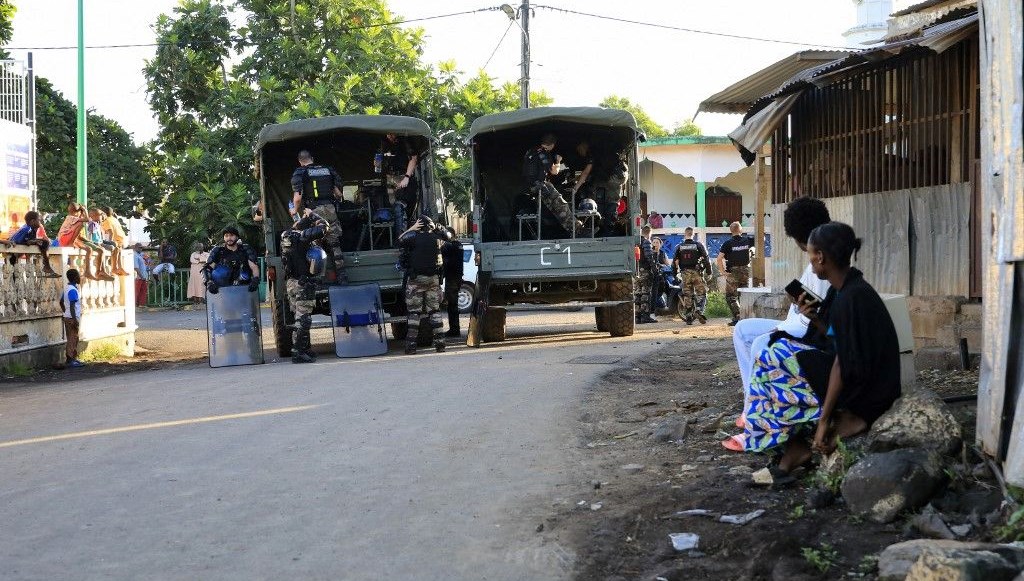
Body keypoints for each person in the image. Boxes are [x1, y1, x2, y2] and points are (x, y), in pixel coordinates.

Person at [727, 222, 901, 481]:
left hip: (868, 393)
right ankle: (792, 447)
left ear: (820, 257)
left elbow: (843, 362)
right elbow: (837, 337)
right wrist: (817, 319)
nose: (810, 262)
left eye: (810, 255)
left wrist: (824, 421)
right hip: (859, 376)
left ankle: (806, 439)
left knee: (774, 358)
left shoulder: (853, 297)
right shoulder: (843, 289)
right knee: (772, 351)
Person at [731, 198, 832, 427]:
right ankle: (752, 404)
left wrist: (784, 326)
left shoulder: (825, 262)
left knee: (760, 343)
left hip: (810, 332)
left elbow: (817, 318)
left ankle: (761, 414)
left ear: (798, 238)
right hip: (796, 323)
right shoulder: (813, 261)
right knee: (742, 330)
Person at [291, 150, 347, 283]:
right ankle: (342, 277)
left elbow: (298, 197)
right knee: (334, 244)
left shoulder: (300, 172)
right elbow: (339, 194)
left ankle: (319, 279)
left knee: (316, 245)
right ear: (312, 158)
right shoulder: (328, 170)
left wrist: (294, 210)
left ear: (300, 161)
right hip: (330, 209)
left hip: (314, 211)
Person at [397, 215, 451, 354]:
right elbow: (449, 236)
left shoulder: (413, 238)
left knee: (414, 314)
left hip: (416, 280)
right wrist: (439, 228)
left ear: (419, 226)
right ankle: (440, 345)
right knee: (434, 312)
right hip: (433, 279)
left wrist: (412, 228)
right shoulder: (437, 239)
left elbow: (399, 240)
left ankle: (411, 347)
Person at [281, 213, 328, 364]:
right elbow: (324, 227)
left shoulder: (287, 237)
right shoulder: (302, 237)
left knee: (299, 318)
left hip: (292, 283)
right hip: (303, 283)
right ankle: (298, 352)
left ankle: (305, 349)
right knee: (303, 319)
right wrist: (313, 216)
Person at [522, 133, 584, 237]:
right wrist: (558, 161)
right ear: (552, 145)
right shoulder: (545, 153)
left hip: (531, 186)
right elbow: (554, 171)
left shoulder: (530, 151)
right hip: (542, 186)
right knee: (561, 205)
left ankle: (564, 230)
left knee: (550, 208)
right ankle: (578, 230)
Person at [380, 132, 420, 235]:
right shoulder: (384, 143)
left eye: (391, 134)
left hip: (402, 175)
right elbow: (382, 161)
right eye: (387, 134)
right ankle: (401, 236)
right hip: (390, 177)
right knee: (394, 206)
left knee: (400, 206)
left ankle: (402, 237)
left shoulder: (405, 141)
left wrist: (406, 177)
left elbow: (413, 159)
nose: (389, 136)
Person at [1, 210, 60, 277]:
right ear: (32, 221)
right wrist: (30, 242)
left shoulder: (32, 228)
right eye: (38, 220)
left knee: (44, 243)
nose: (40, 222)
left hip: (15, 255)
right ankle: (47, 266)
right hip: (12, 255)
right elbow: (17, 242)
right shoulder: (26, 229)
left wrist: (34, 241)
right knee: (13, 278)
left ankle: (47, 266)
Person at [717, 222, 754, 326]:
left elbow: (719, 259)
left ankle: (738, 317)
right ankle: (746, 317)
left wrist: (723, 272)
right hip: (745, 271)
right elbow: (761, 239)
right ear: (741, 230)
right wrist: (754, 224)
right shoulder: (747, 240)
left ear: (730, 231)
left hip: (733, 272)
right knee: (744, 295)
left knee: (730, 296)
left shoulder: (727, 243)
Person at [203, 226, 259, 295]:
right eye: (226, 236)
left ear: (237, 237)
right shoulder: (218, 251)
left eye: (232, 235)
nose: (229, 238)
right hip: (221, 292)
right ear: (224, 238)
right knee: (220, 272)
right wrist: (209, 283)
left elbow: (254, 266)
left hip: (244, 290)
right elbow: (207, 268)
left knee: (245, 274)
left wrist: (255, 280)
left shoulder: (245, 249)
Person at [673, 227, 711, 324]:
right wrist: (709, 272)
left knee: (687, 294)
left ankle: (689, 317)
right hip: (697, 272)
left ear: (685, 234)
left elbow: (675, 263)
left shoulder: (679, 247)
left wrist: (674, 274)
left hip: (685, 273)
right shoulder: (698, 245)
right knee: (701, 293)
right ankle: (698, 310)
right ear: (693, 234)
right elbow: (706, 259)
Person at [441, 227, 464, 338]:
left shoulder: (452, 246)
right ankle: (454, 329)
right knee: (452, 304)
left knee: (452, 305)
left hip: (453, 278)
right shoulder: (458, 245)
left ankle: (455, 329)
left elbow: (446, 255)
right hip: (455, 277)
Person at [61, 268, 85, 368]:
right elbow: (72, 305)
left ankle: (73, 358)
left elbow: (61, 301)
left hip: (68, 316)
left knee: (74, 338)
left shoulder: (67, 288)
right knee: (72, 339)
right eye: (78, 276)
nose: (80, 277)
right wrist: (74, 319)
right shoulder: (73, 290)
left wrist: (65, 312)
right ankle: (70, 360)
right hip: (71, 318)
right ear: (75, 278)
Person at [635, 225, 658, 324]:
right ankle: (645, 315)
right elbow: (649, 257)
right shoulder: (646, 241)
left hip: (636, 271)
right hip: (645, 271)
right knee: (646, 293)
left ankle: (637, 316)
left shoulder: (636, 242)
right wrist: (655, 269)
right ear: (649, 233)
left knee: (637, 294)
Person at [100, 207, 130, 276]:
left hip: (117, 240)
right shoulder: (114, 219)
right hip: (122, 240)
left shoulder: (106, 220)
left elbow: (111, 233)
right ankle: (119, 267)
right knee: (118, 252)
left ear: (103, 213)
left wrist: (109, 242)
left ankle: (115, 268)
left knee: (115, 250)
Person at [133, 243, 149, 307]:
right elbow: (136, 267)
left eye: (141, 248)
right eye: (139, 247)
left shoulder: (140, 255)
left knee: (143, 290)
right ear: (135, 247)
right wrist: (141, 276)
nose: (141, 249)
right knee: (136, 291)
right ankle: (135, 304)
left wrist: (146, 257)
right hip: (138, 277)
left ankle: (141, 304)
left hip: (142, 276)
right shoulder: (135, 255)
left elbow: (147, 257)